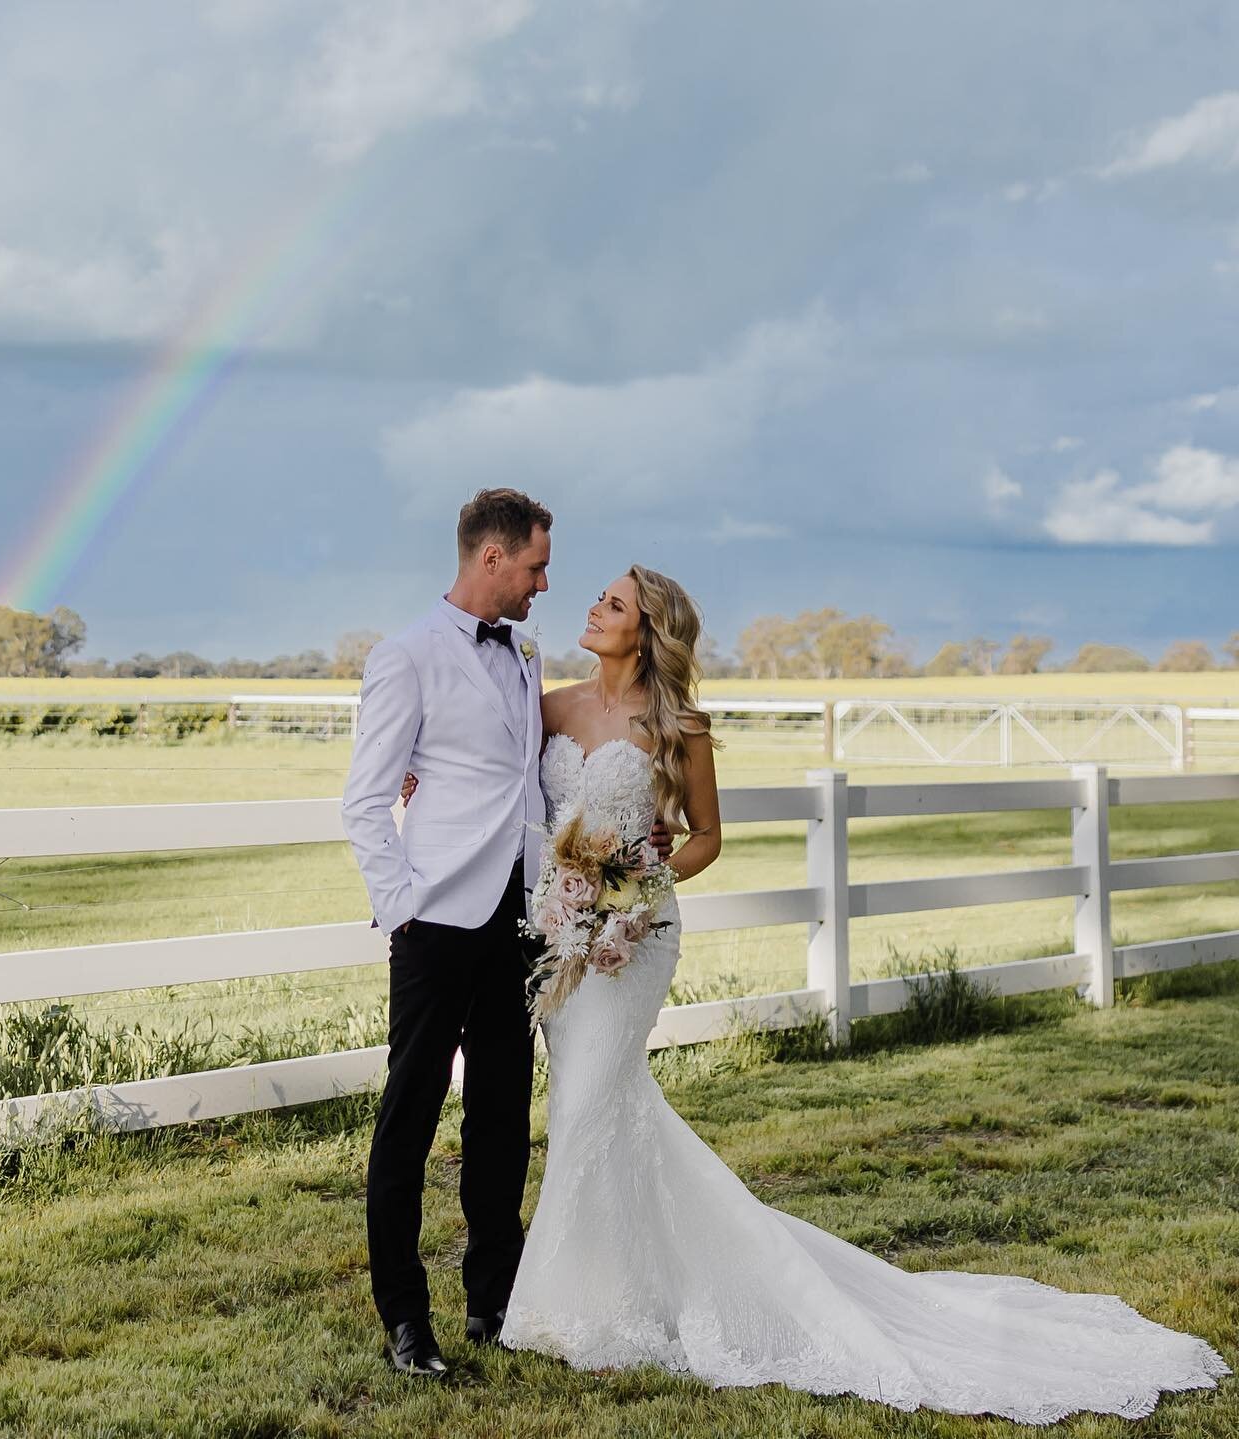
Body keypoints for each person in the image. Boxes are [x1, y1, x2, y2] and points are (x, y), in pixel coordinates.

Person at [415, 563, 1229, 1423]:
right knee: (604, 1108)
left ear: (648, 629)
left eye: (612, 602)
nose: (592, 605)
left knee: (585, 1103)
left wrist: (641, 878)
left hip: (636, 935)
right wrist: (418, 777)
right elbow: (488, 762)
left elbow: (707, 839)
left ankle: (573, 1308)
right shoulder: (553, 703)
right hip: (563, 941)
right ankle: (626, 1280)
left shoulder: (680, 724)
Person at [341, 489, 670, 1378]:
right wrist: (403, 905)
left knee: (499, 1117)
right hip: (435, 921)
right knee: (408, 1115)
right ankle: (405, 1315)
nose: (546, 583)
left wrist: (628, 842)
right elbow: (365, 802)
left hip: (520, 924)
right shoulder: (404, 657)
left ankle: (494, 1297)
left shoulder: (525, 656)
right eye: (535, 566)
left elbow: (530, 781)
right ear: (492, 560)